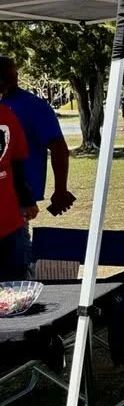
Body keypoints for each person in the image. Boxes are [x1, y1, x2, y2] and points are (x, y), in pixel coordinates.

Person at [0, 57, 75, 226]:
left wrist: (60, 189)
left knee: (14, 247)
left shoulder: (32, 105)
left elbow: (58, 147)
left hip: (17, 198)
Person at [0, 104, 37, 280]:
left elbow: (17, 164)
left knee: (13, 293)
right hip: (10, 228)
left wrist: (27, 200)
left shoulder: (6, 115)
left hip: (9, 226)